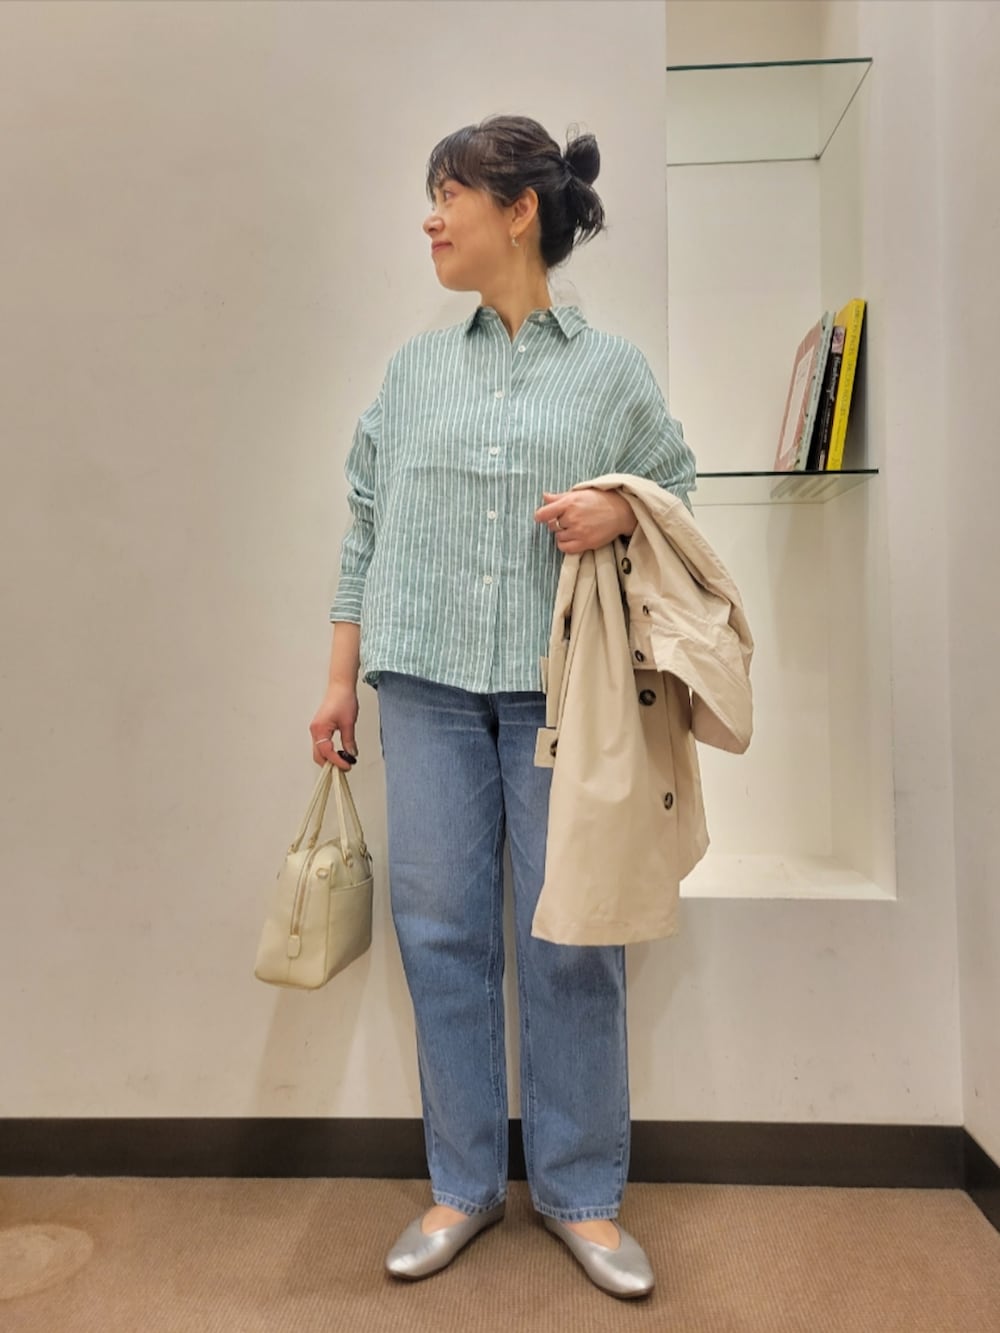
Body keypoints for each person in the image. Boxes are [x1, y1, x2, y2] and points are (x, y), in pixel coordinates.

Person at [309, 114, 696, 1300]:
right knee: (441, 934)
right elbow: (366, 521)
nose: (431, 218)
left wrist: (618, 509)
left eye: (449, 195)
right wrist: (338, 677)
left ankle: (581, 1194)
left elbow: (676, 489)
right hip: (422, 686)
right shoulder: (413, 371)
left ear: (518, 211)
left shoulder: (610, 370)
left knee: (569, 936)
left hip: (564, 693)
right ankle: (463, 1184)